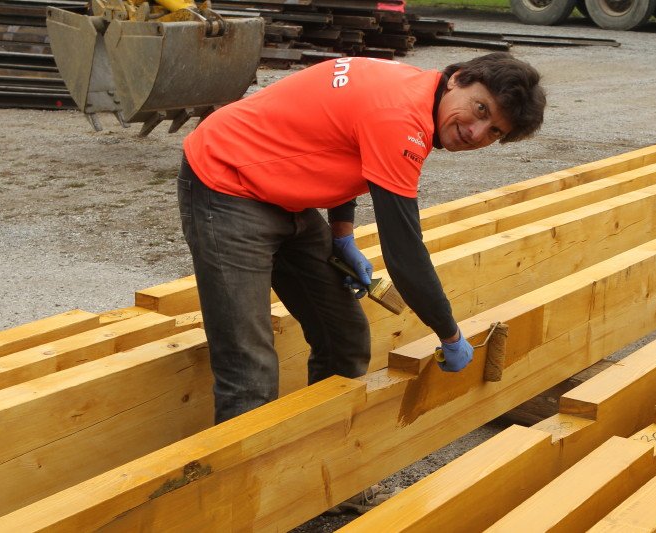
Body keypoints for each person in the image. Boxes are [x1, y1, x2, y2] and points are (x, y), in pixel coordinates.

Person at [178, 51, 545, 426]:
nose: (476, 133)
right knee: (249, 372)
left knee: (344, 338)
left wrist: (342, 235)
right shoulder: (402, 118)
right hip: (226, 180)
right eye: (481, 110)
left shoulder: (416, 89)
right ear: (458, 79)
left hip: (279, 186)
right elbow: (405, 255)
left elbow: (342, 144)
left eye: (494, 131)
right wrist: (449, 335)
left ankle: (320, 448)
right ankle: (246, 462)